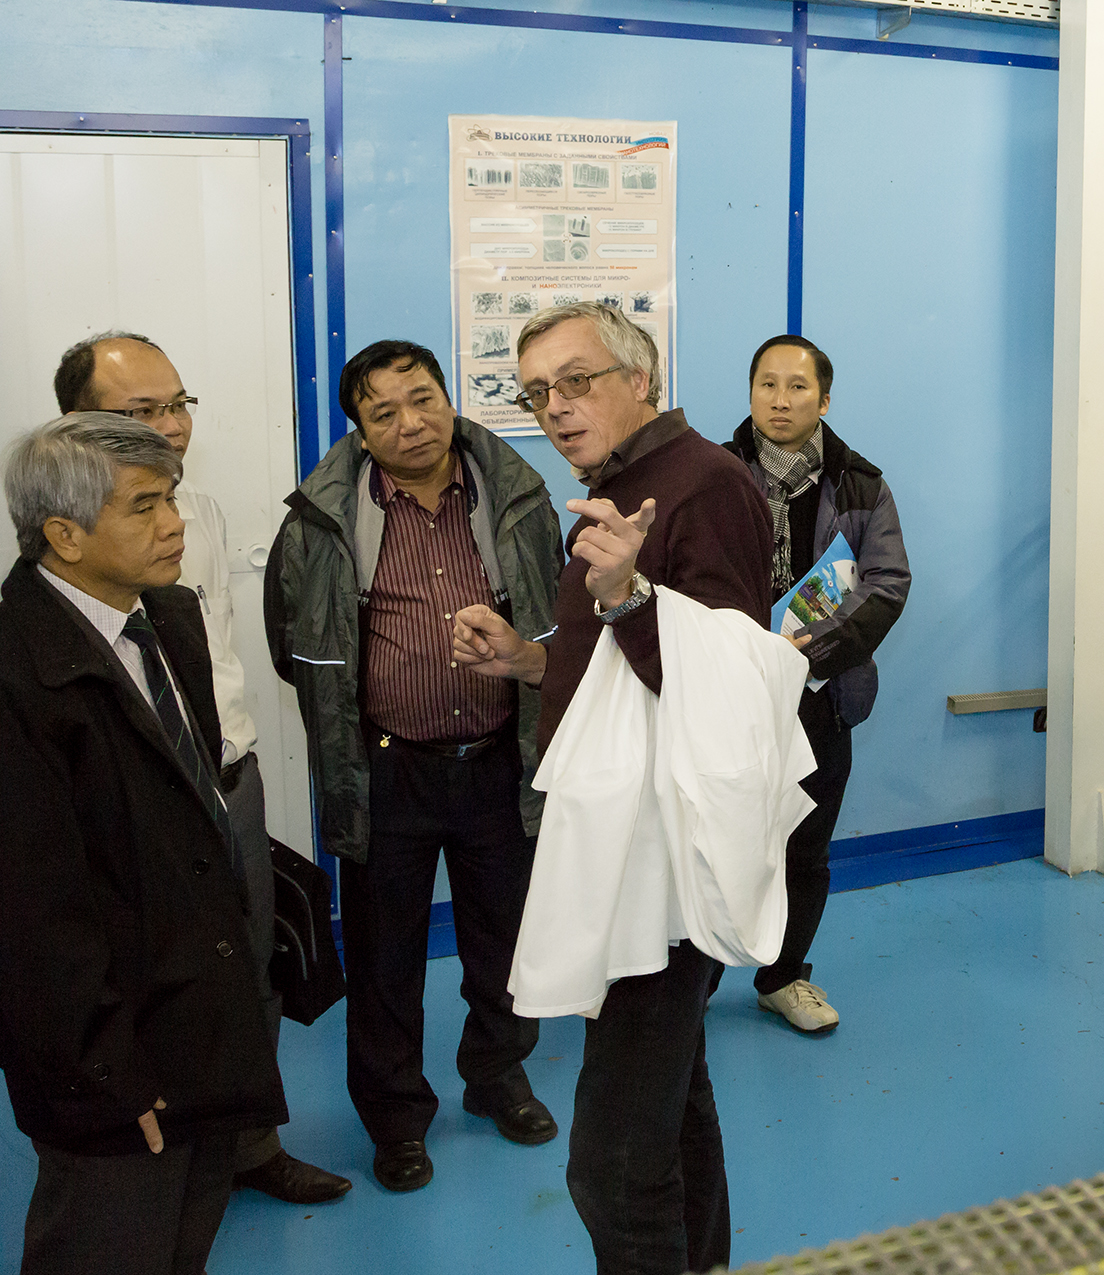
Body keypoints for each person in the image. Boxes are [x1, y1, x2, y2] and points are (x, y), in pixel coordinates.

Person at [450, 300, 774, 1275]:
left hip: (663, 870)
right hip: (624, 848)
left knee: (613, 1168)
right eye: (536, 392)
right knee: (673, 1103)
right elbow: (613, 669)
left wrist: (627, 595)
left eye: (576, 379)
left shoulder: (704, 485)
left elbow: (729, 690)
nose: (555, 405)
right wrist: (525, 660)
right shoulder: (621, 486)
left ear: (641, 379)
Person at [0, 413, 285, 1274]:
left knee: (187, 1236)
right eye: (144, 506)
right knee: (110, 1240)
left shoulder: (167, 616)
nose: (174, 523)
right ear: (63, 535)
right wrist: (106, 1078)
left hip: (200, 1016)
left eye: (171, 497)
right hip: (116, 1056)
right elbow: (30, 926)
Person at [51, 331, 352, 1206]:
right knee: (152, 983)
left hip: (226, 777)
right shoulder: (70, 536)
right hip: (144, 800)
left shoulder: (203, 512)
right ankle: (158, 1165)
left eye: (178, 403)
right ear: (76, 424)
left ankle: (247, 1145)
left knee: (250, 965)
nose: (173, 425)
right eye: (142, 409)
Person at [264, 339, 565, 1193]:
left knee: (505, 944)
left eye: (423, 398)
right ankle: (396, 1118)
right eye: (384, 411)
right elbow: (294, 647)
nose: (411, 423)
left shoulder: (517, 499)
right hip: (387, 774)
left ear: (449, 399)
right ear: (360, 432)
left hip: (500, 763)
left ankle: (497, 1075)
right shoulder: (321, 521)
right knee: (384, 959)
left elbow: (555, 615)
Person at [724, 334, 911, 1033]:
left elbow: (887, 584)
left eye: (798, 386)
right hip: (730, 695)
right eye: (767, 384)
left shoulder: (862, 483)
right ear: (751, 393)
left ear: (824, 400)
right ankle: (691, 982)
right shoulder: (714, 475)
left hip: (820, 695)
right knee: (715, 846)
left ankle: (782, 978)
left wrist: (812, 652)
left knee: (805, 848)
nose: (780, 399)